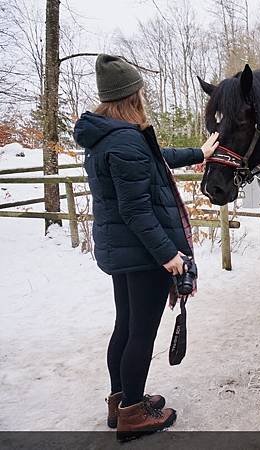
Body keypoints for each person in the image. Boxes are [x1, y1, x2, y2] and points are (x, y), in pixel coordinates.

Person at [73, 54, 219, 441]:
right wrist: (168, 255)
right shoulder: (125, 142)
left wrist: (198, 154)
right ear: (131, 96)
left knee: (126, 325)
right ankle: (134, 415)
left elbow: (156, 160)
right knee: (141, 332)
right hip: (141, 254)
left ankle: (121, 401)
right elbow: (137, 212)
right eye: (140, 91)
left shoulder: (108, 137)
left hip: (122, 252)